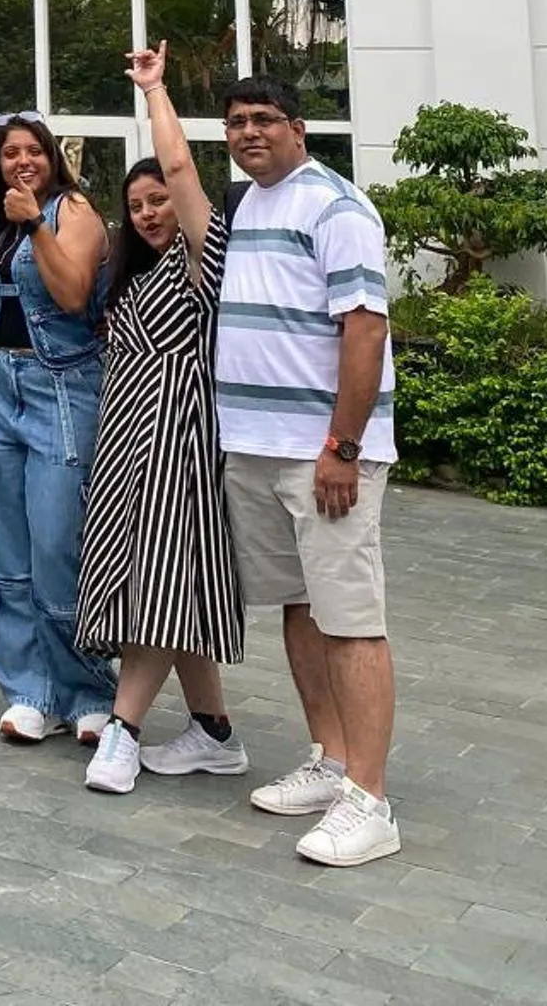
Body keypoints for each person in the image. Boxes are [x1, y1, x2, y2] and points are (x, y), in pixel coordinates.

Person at [194, 69, 401, 867]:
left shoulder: (337, 206)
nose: (250, 132)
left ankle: (370, 799)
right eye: (237, 121)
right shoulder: (247, 204)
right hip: (255, 447)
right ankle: (332, 757)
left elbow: (364, 330)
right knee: (298, 607)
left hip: (323, 457)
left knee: (351, 618)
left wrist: (342, 447)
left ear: (298, 128)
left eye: (264, 119)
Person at [74, 61, 246, 797]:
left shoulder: (201, 265)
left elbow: (179, 163)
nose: (149, 212)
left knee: (157, 585)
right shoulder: (130, 277)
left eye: (159, 200)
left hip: (179, 444)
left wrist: (154, 91)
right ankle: (213, 732)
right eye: (136, 203)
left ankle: (124, 727)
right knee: (168, 587)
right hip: (124, 447)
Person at [0, 110, 113, 745]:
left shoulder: (71, 212)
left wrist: (34, 222)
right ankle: (28, 688)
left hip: (59, 385)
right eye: (9, 153)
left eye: (32, 151)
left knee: (58, 542)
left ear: (52, 156)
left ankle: (85, 687)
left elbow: (74, 295)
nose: (21, 161)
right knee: (10, 550)